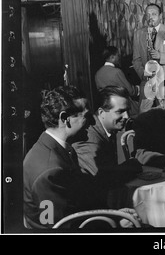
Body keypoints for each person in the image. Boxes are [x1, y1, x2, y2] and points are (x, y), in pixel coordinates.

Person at [23, 86, 106, 228]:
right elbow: (57, 226)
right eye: (86, 116)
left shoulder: (57, 148)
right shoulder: (49, 170)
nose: (93, 122)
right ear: (64, 118)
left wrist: (108, 213)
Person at [72, 86, 142, 188]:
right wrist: (133, 165)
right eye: (120, 111)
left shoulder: (107, 129)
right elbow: (104, 179)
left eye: (127, 110)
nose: (127, 116)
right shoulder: (89, 137)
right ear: (101, 112)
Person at [132, 3, 165, 88]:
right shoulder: (138, 34)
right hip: (147, 83)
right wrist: (143, 75)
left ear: (160, 16)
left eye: (154, 14)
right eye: (148, 15)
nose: (150, 17)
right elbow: (136, 60)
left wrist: (160, 56)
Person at [95, 46, 140, 118]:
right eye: (118, 56)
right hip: (124, 108)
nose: (119, 58)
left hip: (108, 108)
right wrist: (139, 88)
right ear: (112, 57)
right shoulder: (117, 72)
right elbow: (131, 91)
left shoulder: (98, 73)